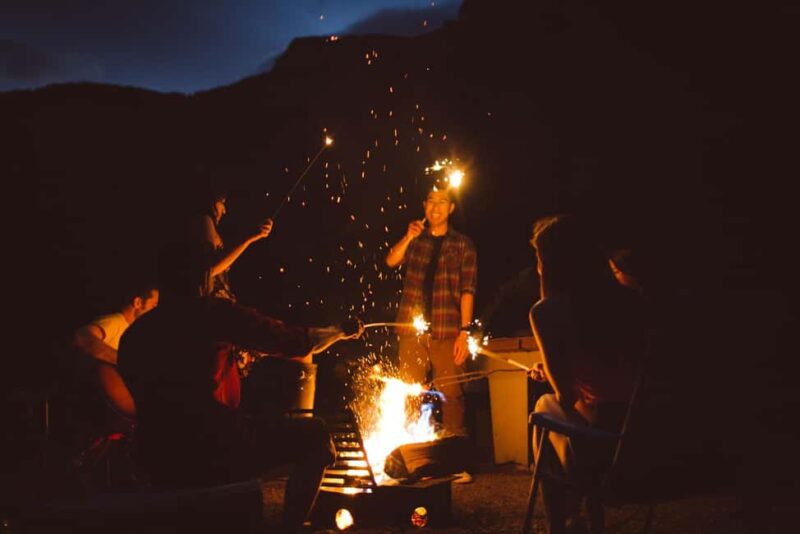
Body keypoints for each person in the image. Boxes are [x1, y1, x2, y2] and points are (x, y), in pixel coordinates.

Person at [118, 245, 361, 530]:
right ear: (202, 279)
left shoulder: (135, 334)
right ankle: (290, 528)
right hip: (214, 441)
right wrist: (339, 331)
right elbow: (296, 342)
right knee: (316, 436)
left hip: (156, 450)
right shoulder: (211, 313)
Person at [527, 215, 644, 534]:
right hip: (649, 448)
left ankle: (561, 523)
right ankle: (583, 519)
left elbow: (567, 396)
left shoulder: (547, 311)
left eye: (539, 257)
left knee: (544, 408)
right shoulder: (632, 301)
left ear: (549, 263)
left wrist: (554, 376)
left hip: (603, 454)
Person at [385, 185, 477, 483]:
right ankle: (410, 460)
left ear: (451, 208)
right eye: (431, 202)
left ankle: (455, 462)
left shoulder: (463, 244)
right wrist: (408, 236)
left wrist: (464, 332)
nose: (435, 208)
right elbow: (391, 261)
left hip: (447, 327)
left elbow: (468, 290)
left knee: (452, 393)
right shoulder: (416, 239)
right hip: (411, 328)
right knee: (411, 392)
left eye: (442, 202)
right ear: (424, 205)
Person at [72, 283, 159, 420]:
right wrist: (125, 362)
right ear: (138, 303)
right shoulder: (116, 322)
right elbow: (82, 337)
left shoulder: (133, 332)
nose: (155, 313)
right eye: (153, 306)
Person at [194, 186, 273, 302]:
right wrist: (249, 237)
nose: (224, 211)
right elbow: (211, 268)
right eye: (222, 203)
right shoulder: (204, 220)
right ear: (212, 202)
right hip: (210, 305)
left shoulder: (208, 226)